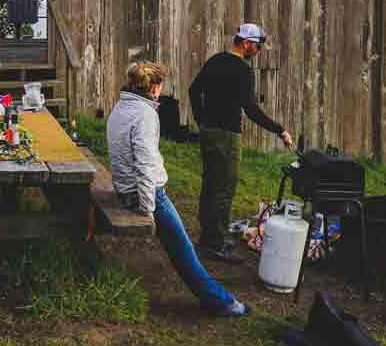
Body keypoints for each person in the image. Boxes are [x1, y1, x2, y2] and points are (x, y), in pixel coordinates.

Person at [107, 61, 249, 317]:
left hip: (125, 189)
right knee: (183, 249)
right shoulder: (146, 115)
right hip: (145, 194)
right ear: (154, 88)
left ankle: (221, 300)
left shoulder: (121, 107)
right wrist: (148, 209)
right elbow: (145, 164)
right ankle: (223, 303)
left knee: (181, 246)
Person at [189, 24, 294, 262]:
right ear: (246, 43)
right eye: (257, 46)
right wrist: (279, 130)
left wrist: (201, 118)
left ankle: (207, 236)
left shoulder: (215, 61)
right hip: (227, 135)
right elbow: (251, 110)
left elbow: (194, 90)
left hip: (208, 133)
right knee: (224, 187)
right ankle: (215, 243)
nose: (257, 51)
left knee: (210, 182)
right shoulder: (243, 71)